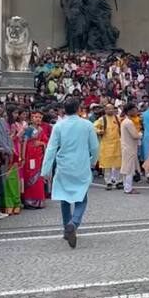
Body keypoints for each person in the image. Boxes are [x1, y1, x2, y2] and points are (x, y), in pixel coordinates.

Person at [41, 99, 99, 249]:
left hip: (64, 164)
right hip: (81, 164)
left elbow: (51, 148)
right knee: (82, 198)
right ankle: (74, 222)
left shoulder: (59, 126)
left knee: (64, 197)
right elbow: (94, 146)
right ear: (79, 109)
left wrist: (45, 169)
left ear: (63, 111)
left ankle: (67, 227)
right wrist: (93, 161)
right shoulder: (87, 125)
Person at [21, 110, 48, 208]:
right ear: (32, 118)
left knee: (38, 178)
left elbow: (45, 141)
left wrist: (41, 144)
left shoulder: (41, 129)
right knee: (30, 176)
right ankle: (29, 201)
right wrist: (23, 157)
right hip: (29, 156)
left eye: (40, 117)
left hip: (38, 156)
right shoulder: (29, 129)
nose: (38, 119)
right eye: (36, 117)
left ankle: (38, 201)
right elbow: (24, 142)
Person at [94, 104, 123, 190]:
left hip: (117, 144)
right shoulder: (102, 119)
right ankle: (108, 182)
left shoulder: (117, 118)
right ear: (105, 110)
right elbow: (93, 126)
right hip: (106, 145)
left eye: (112, 109)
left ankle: (118, 181)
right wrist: (99, 131)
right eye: (108, 109)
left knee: (118, 164)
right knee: (107, 165)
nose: (110, 110)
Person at [120, 103, 142, 194]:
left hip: (126, 147)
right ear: (129, 111)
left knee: (126, 168)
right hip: (129, 148)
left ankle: (126, 186)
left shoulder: (125, 121)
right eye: (134, 110)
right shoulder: (128, 122)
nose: (136, 111)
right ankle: (128, 188)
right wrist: (140, 134)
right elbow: (135, 135)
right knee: (129, 169)